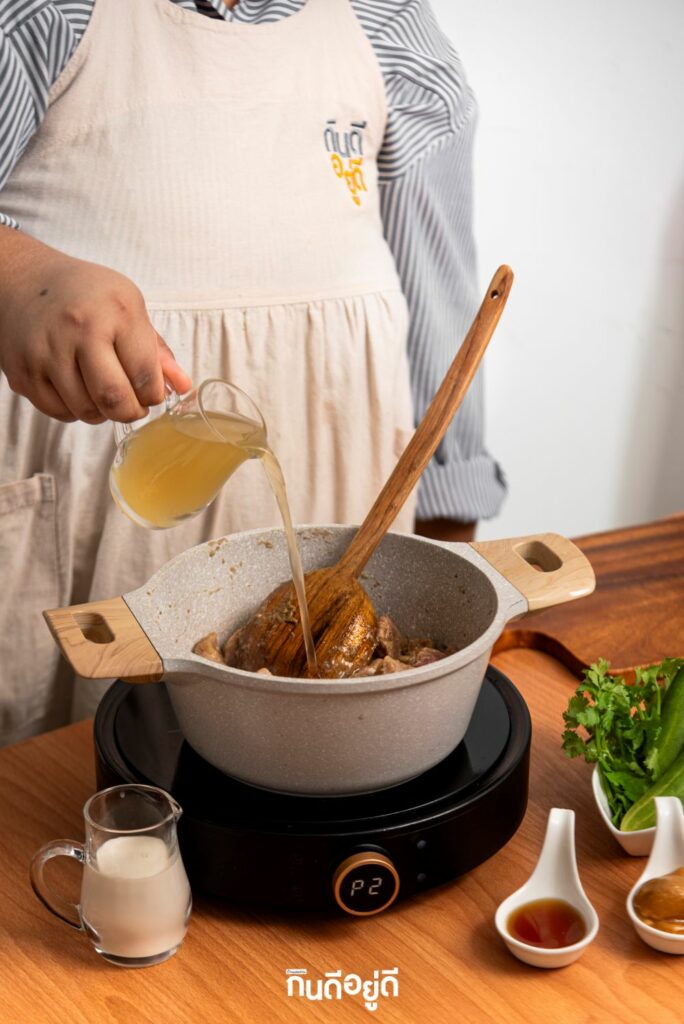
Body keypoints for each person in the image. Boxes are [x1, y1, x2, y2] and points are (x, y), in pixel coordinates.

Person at [0, 0, 506, 746]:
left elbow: (441, 312)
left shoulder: (390, 29)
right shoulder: (41, 14)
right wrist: (14, 274)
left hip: (348, 502)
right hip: (91, 546)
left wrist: (453, 596)